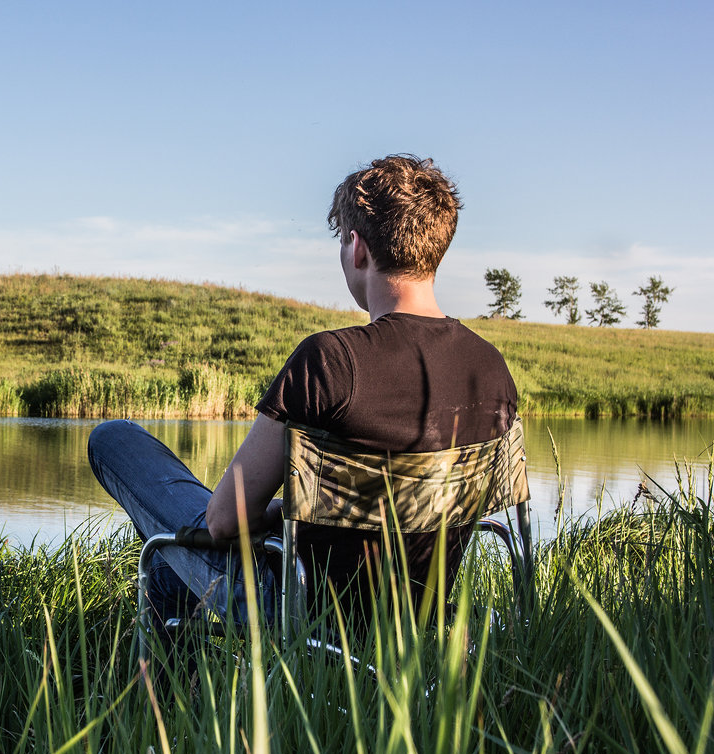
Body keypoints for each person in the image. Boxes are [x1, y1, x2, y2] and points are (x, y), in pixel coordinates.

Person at [88, 154, 517, 633]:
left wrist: (276, 511)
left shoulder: (332, 360)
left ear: (357, 248)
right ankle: (180, 683)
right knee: (180, 545)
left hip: (298, 610)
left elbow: (226, 522)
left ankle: (162, 690)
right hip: (420, 615)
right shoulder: (491, 369)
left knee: (115, 441)